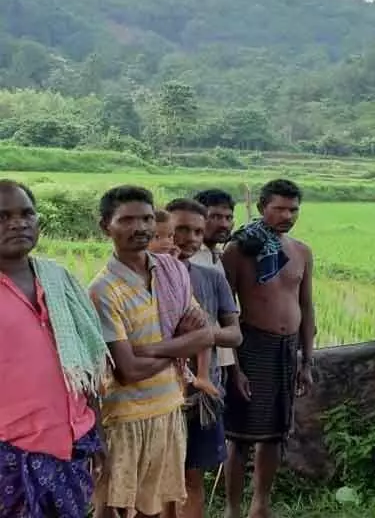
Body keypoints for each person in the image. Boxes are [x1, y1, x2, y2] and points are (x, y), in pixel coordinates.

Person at [89, 185, 216, 518]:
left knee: (159, 508)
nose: (141, 228)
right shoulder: (103, 290)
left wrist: (151, 349)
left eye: (147, 218)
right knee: (118, 508)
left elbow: (203, 335)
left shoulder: (169, 271)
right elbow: (126, 371)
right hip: (126, 419)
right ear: (106, 226)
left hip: (168, 408)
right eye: (127, 220)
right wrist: (178, 349)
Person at [0, 180, 109, 518]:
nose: (18, 223)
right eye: (2, 217)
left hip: (72, 441)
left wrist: (98, 430)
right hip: (9, 450)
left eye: (26, 213)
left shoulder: (58, 279)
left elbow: (84, 364)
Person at [222, 179, 315, 518]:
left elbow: (306, 307)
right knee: (240, 434)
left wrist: (307, 360)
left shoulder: (301, 251)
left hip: (287, 349)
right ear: (262, 208)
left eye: (293, 209)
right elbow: (223, 309)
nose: (287, 215)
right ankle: (233, 508)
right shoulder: (238, 250)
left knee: (275, 432)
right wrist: (233, 366)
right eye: (279, 208)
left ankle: (260, 504)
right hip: (251, 345)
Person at [166, 198, 244, 518]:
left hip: (201, 393)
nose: (190, 238)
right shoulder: (141, 280)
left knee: (191, 478)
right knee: (154, 481)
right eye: (180, 229)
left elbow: (235, 334)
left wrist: (202, 335)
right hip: (153, 393)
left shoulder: (211, 277)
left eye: (197, 231)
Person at [192, 189, 239, 375]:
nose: (224, 224)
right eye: (215, 217)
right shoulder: (190, 261)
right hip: (195, 365)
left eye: (228, 218)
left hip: (219, 362)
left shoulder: (216, 257)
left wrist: (235, 370)